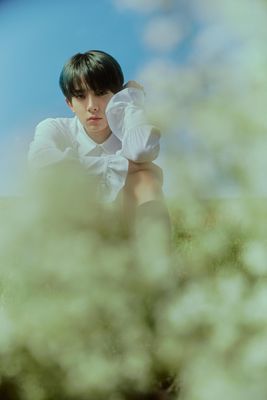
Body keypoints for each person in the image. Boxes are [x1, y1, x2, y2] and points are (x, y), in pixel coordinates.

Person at [28, 50, 171, 239]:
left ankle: (157, 261)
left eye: (101, 93)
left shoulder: (127, 129)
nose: (92, 106)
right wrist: (126, 166)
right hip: (71, 234)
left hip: (125, 229)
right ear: (70, 103)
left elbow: (143, 150)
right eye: (80, 96)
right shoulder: (55, 128)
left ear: (117, 97)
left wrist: (131, 99)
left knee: (144, 178)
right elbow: (42, 167)